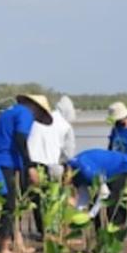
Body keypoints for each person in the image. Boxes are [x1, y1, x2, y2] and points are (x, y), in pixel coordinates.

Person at [0, 94, 53, 253]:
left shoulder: (10, 112)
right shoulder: (25, 114)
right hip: (6, 161)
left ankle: (18, 244)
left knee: (13, 205)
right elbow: (20, 139)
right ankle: (4, 247)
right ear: (36, 107)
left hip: (0, 159)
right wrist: (30, 166)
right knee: (9, 205)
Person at [27, 95, 77, 237]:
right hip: (51, 165)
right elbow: (68, 153)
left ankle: (43, 231)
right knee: (55, 199)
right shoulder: (66, 126)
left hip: (30, 164)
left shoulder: (40, 119)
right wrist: (69, 172)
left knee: (37, 200)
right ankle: (55, 232)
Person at [65, 149, 127, 227]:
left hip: (122, 166)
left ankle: (117, 232)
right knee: (95, 204)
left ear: (67, 174)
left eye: (63, 181)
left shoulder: (86, 171)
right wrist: (77, 214)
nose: (64, 184)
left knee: (112, 203)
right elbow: (84, 197)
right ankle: (99, 234)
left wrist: (91, 215)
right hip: (105, 172)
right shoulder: (74, 173)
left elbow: (105, 193)